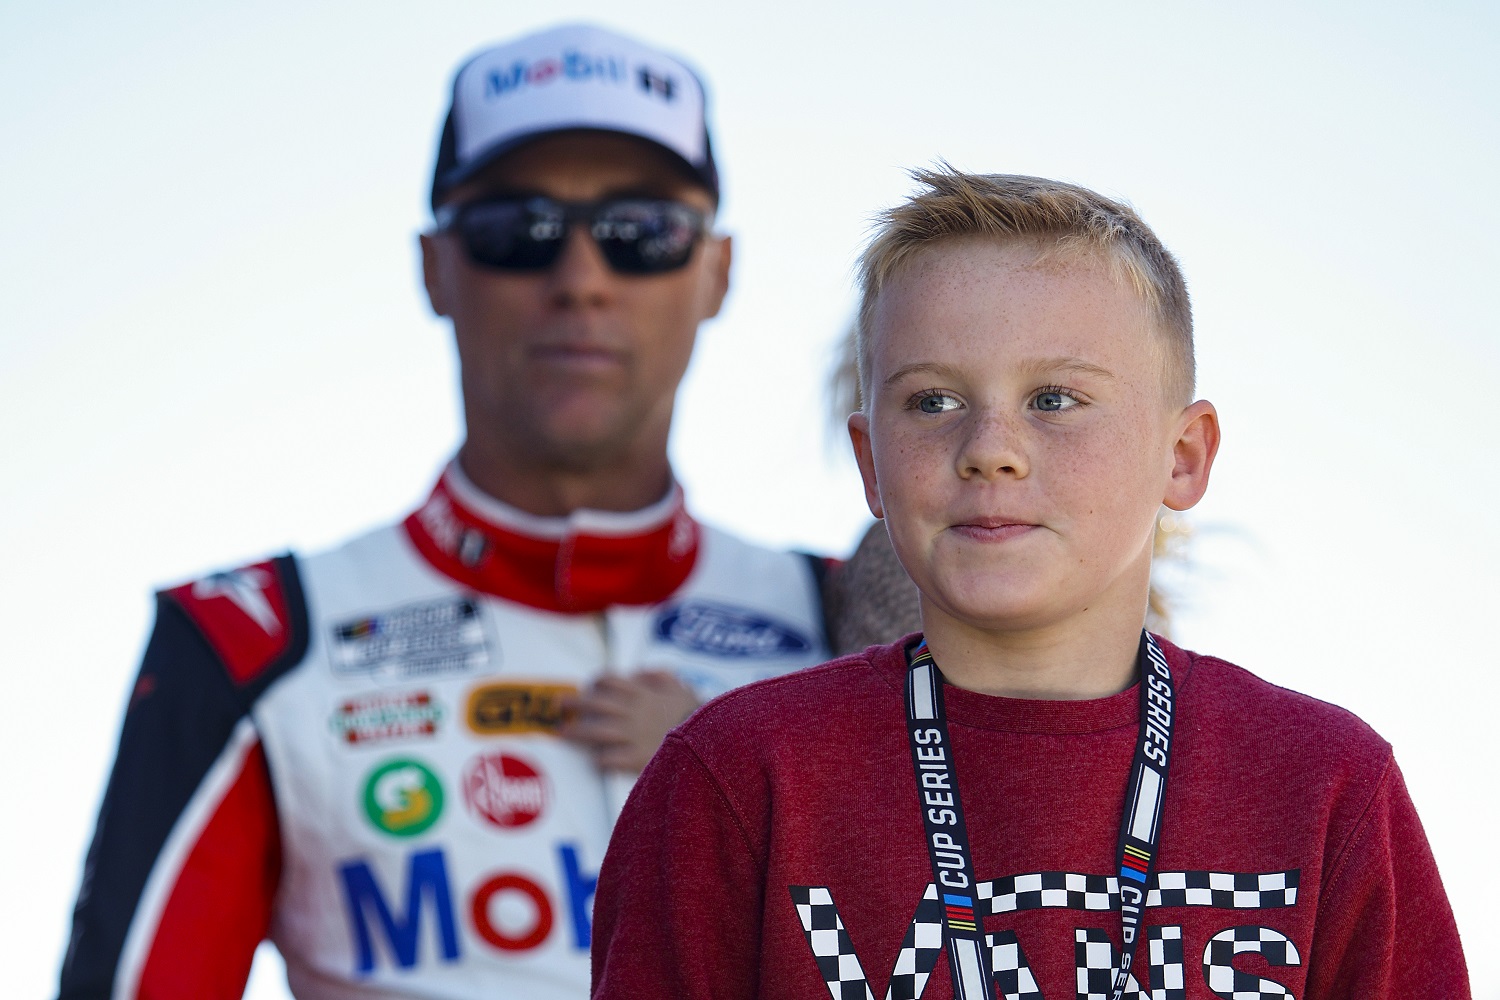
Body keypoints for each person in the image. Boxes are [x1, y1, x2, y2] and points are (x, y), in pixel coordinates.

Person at [58, 24, 834, 1000]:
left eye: (642, 232)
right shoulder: (253, 639)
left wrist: (752, 770)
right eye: (520, 230)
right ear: (434, 267)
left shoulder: (858, 621)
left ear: (718, 271)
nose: (582, 280)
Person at [590, 170, 1471, 998]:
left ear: (1184, 455)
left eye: (1054, 398)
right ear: (870, 463)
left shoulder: (1324, 784)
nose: (989, 448)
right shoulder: (734, 780)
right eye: (933, 401)